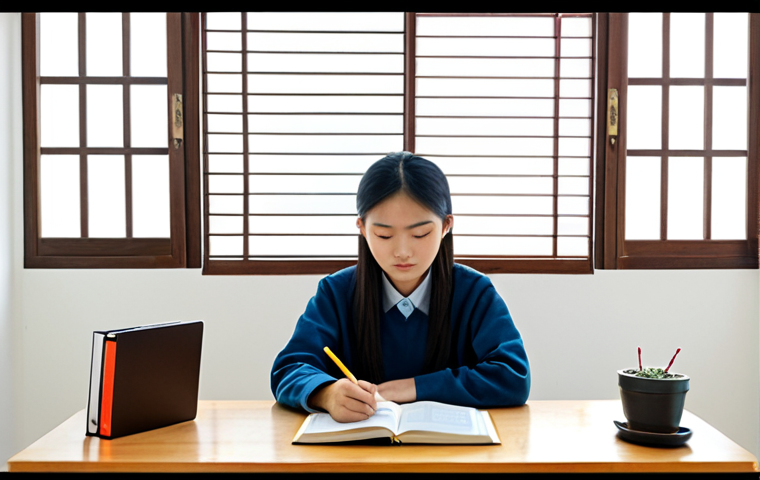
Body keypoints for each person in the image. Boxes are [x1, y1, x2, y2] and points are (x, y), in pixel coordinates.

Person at [270, 152, 530, 422]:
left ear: (445, 226)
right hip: (355, 457)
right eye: (384, 235)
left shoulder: (475, 292)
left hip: (453, 457)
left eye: (420, 234)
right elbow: (289, 368)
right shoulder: (336, 293)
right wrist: (326, 393)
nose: (402, 252)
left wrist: (410, 387)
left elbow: (512, 376)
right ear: (362, 228)